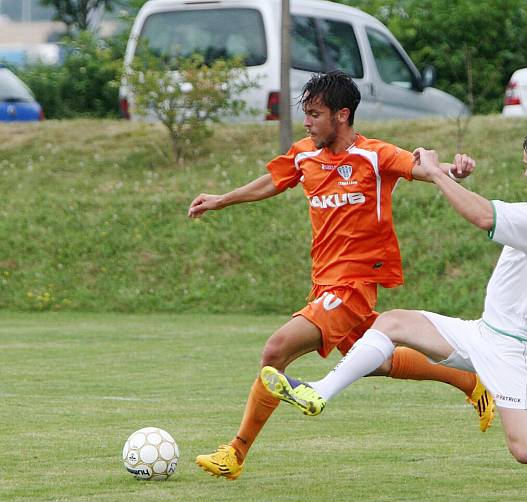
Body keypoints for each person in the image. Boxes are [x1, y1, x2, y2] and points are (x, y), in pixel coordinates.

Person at [260, 114, 527, 502]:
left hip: (521, 350)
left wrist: (438, 173)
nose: (525, 175)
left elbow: (482, 216)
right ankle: (319, 391)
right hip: (487, 332)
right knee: (393, 322)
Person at [188, 71, 495, 480]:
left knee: (275, 351)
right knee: (375, 360)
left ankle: (236, 452)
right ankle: (469, 381)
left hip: (353, 287)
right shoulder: (304, 154)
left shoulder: (375, 155)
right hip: (324, 283)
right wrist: (222, 200)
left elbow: (421, 168)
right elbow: (273, 181)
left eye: (315, 114)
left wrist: (452, 172)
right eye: (306, 114)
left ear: (342, 115)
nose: (308, 122)